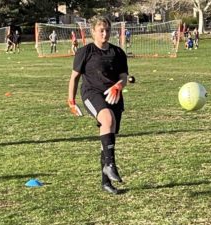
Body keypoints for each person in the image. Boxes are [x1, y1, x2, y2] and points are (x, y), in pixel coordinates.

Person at [68, 16, 128, 195]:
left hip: (113, 96)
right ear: (92, 32)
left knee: (108, 136)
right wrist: (71, 101)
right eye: (101, 30)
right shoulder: (85, 52)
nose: (105, 34)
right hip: (91, 93)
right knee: (107, 120)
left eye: (107, 30)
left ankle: (106, 182)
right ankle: (110, 164)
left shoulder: (118, 52)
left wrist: (118, 86)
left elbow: (124, 77)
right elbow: (74, 78)